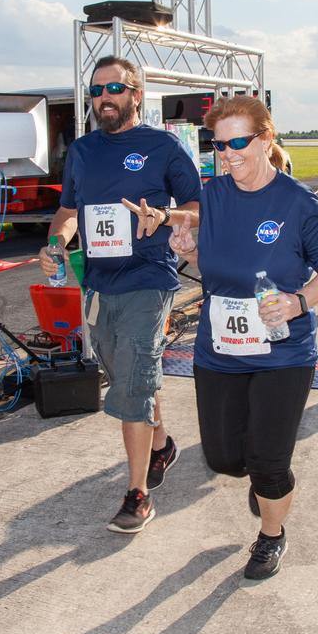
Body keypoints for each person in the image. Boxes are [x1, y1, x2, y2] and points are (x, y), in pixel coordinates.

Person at [169, 95, 318, 581]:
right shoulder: (212, 196)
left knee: (267, 462)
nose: (227, 154)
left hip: (282, 352)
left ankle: (271, 533)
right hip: (219, 348)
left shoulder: (297, 203)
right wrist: (187, 249)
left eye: (238, 143)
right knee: (224, 459)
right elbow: (214, 266)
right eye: (219, 145)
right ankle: (262, 474)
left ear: (266, 140)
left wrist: (298, 302)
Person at [38, 55, 201, 534]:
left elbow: (196, 205)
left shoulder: (162, 146)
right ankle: (162, 445)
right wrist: (54, 245)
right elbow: (68, 211)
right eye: (96, 90)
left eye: (114, 89)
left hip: (148, 278)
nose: (103, 98)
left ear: (136, 94)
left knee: (132, 377)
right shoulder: (84, 151)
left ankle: (137, 495)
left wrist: (166, 217)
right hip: (98, 283)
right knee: (132, 371)